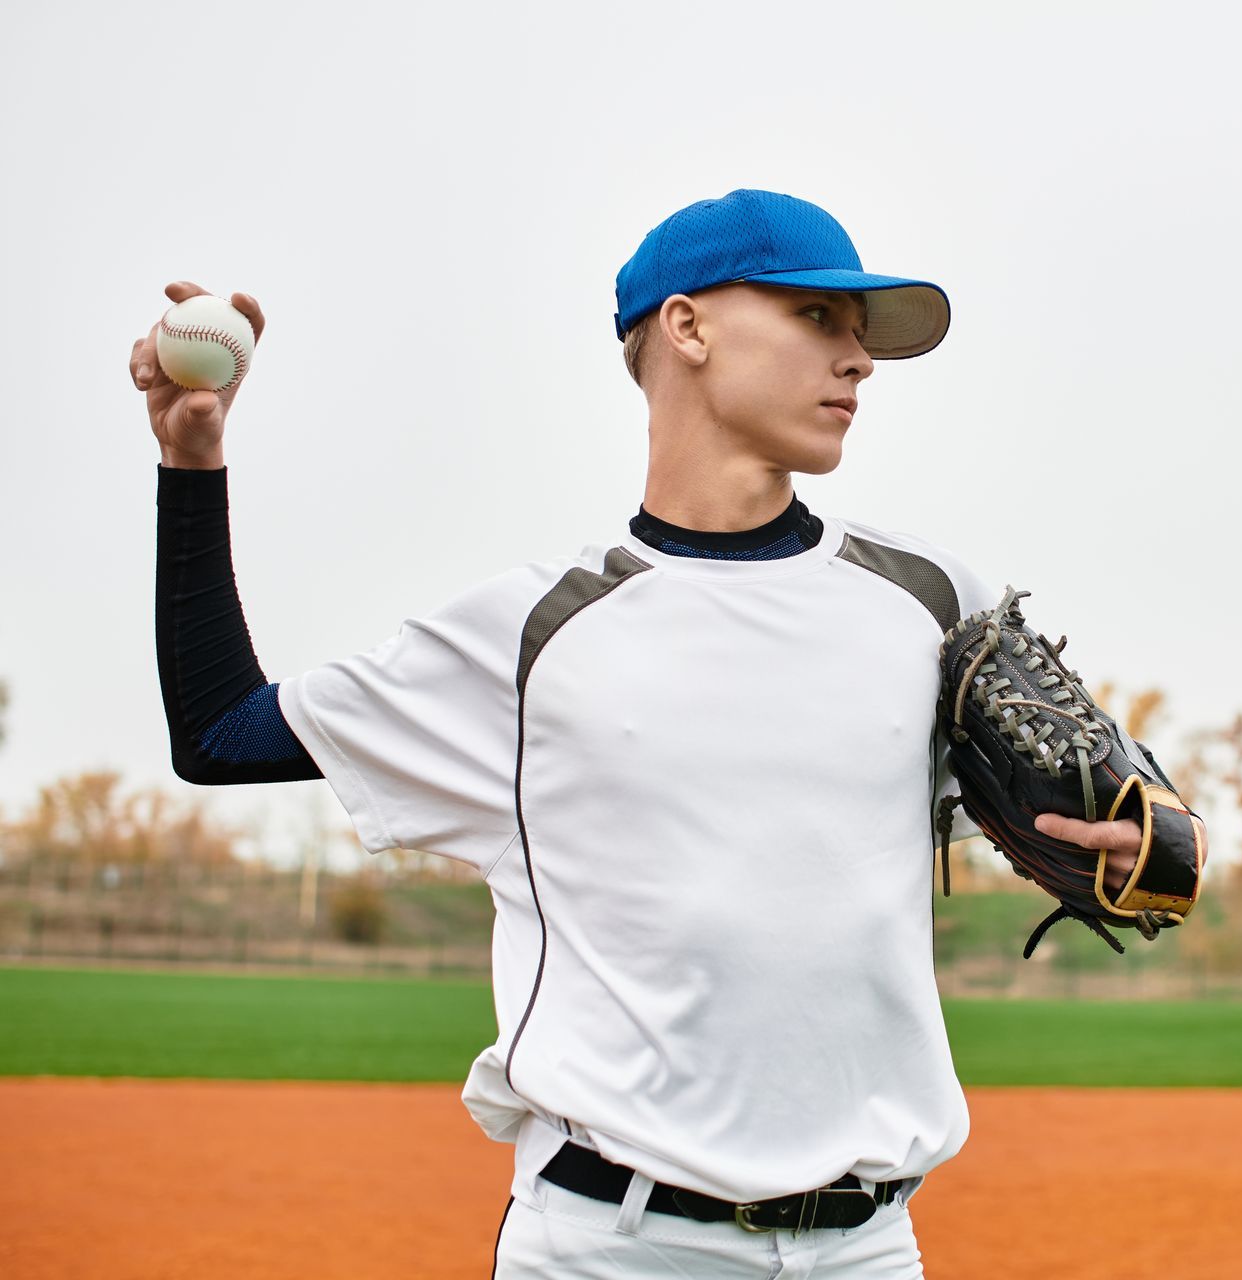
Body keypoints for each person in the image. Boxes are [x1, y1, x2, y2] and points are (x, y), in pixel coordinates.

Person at [134, 188, 1188, 1278]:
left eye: (862, 335)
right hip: (612, 1246)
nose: (858, 361)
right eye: (816, 318)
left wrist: (1146, 837)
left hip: (870, 1247)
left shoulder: (924, 600)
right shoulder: (536, 635)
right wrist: (191, 459)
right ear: (686, 327)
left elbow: (1133, 815)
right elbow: (221, 730)